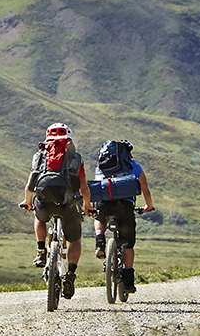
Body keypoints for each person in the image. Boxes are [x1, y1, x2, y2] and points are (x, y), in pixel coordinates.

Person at [18, 122, 94, 299]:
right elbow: (84, 189)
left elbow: (31, 182)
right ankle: (71, 275)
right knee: (75, 240)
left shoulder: (41, 155)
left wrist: (27, 202)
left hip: (45, 200)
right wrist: (87, 206)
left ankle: (41, 250)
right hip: (67, 204)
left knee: (39, 215)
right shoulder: (74, 158)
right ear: (68, 139)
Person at [90, 140, 154, 293]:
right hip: (124, 207)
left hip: (103, 205)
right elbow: (144, 188)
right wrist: (148, 206)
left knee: (98, 218)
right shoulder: (134, 167)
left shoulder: (101, 166)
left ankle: (100, 241)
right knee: (128, 244)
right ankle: (129, 281)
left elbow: (96, 188)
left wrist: (92, 207)